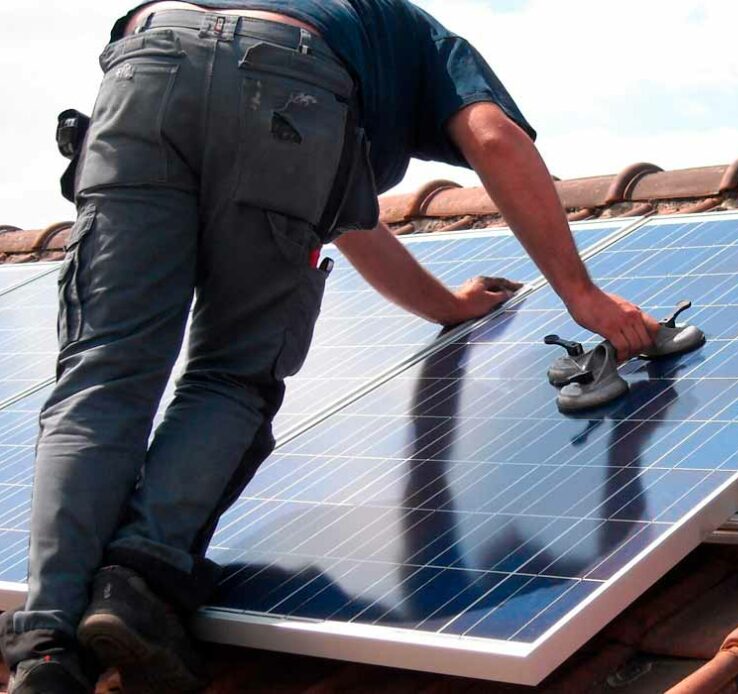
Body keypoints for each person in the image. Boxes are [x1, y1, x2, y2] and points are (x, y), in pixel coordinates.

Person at [0, 2, 660, 692]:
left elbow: (341, 216)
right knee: (231, 374)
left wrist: (446, 306)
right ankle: (137, 578)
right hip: (294, 81)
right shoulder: (411, 32)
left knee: (104, 374)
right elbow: (492, 136)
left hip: (149, 59)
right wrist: (581, 293)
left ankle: (46, 645)